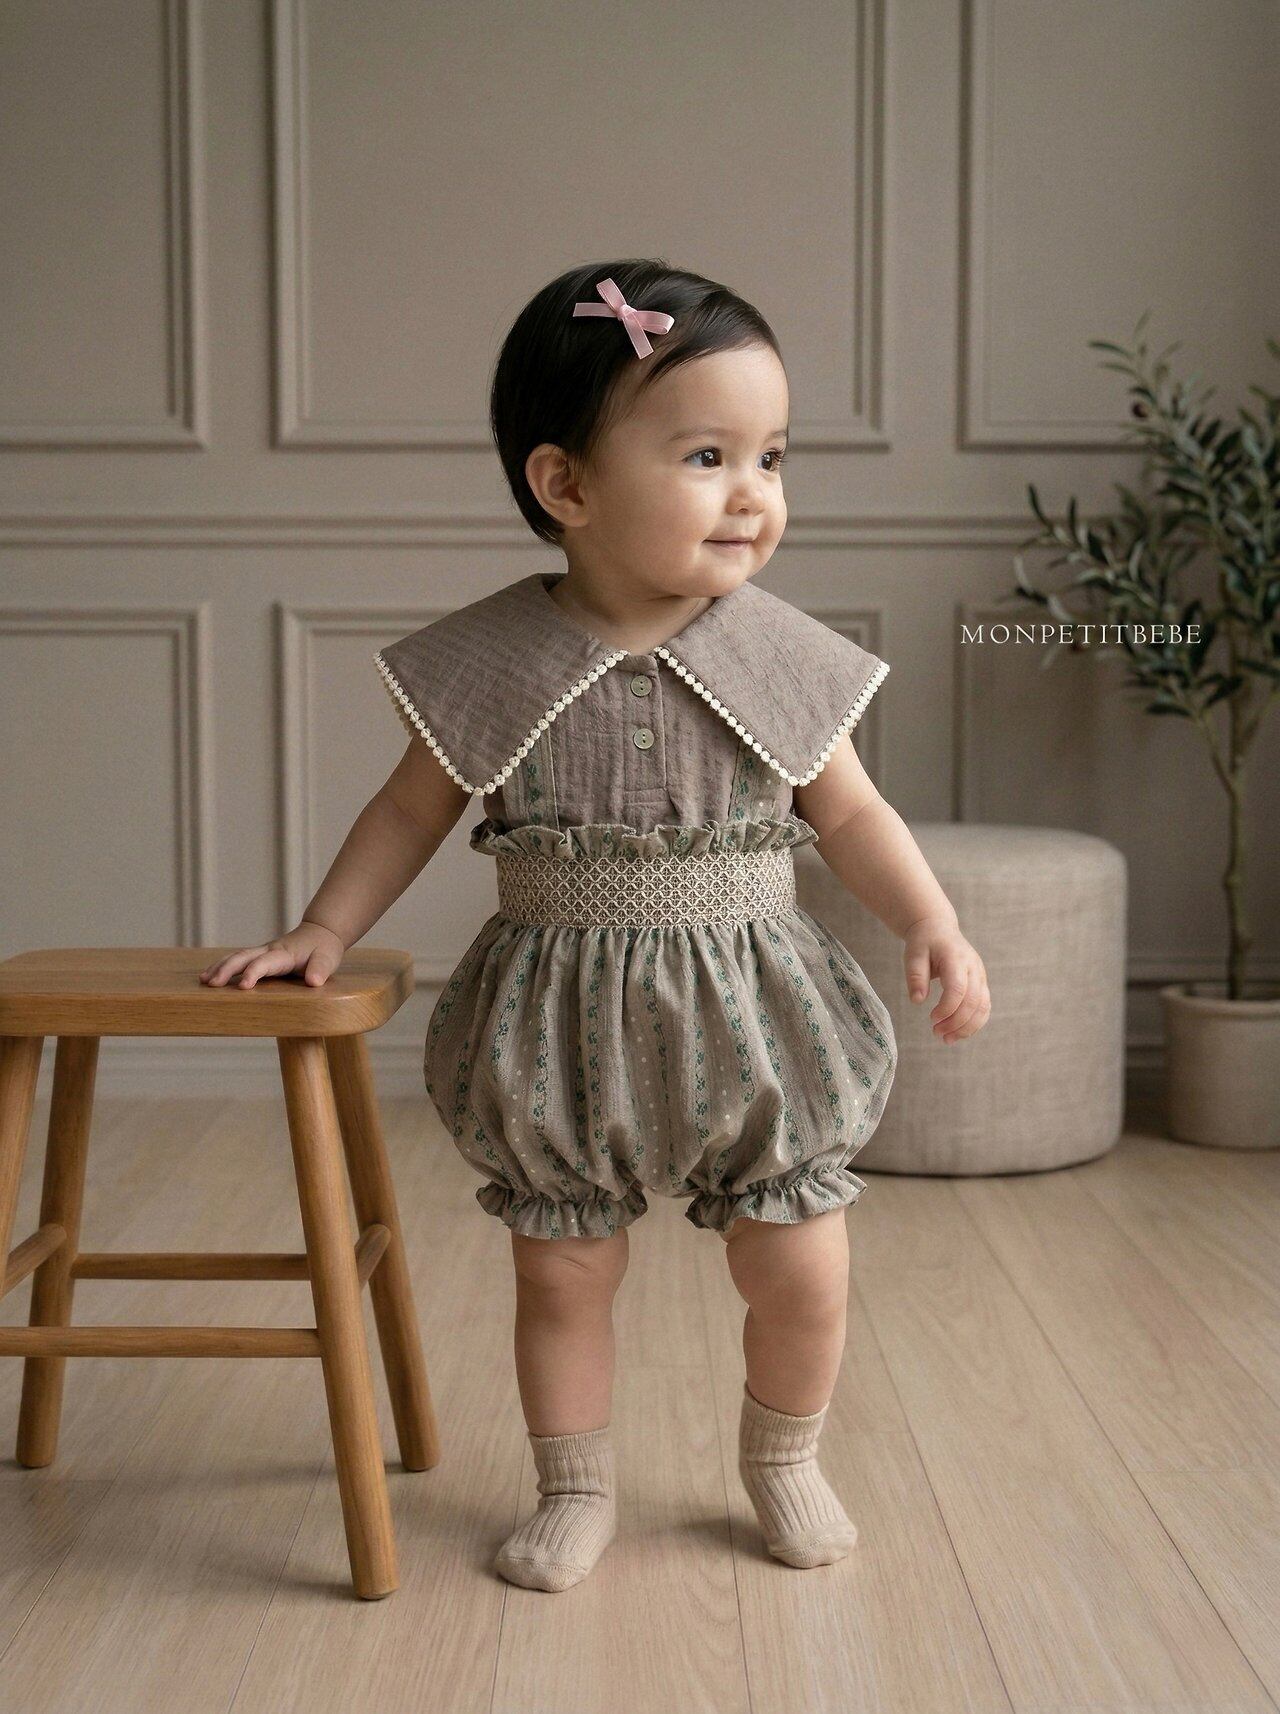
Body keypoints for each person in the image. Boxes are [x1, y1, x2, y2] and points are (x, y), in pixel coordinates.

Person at [201, 260, 991, 1593]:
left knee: (803, 1262)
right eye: (706, 455)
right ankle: (574, 1484)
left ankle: (785, 1456)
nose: (754, 492)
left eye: (772, 456)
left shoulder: (781, 658)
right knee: (563, 1273)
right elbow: (407, 811)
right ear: (565, 484)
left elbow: (853, 811)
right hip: (562, 1023)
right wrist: (323, 928)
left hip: (756, 1015)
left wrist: (932, 919)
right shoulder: (494, 661)